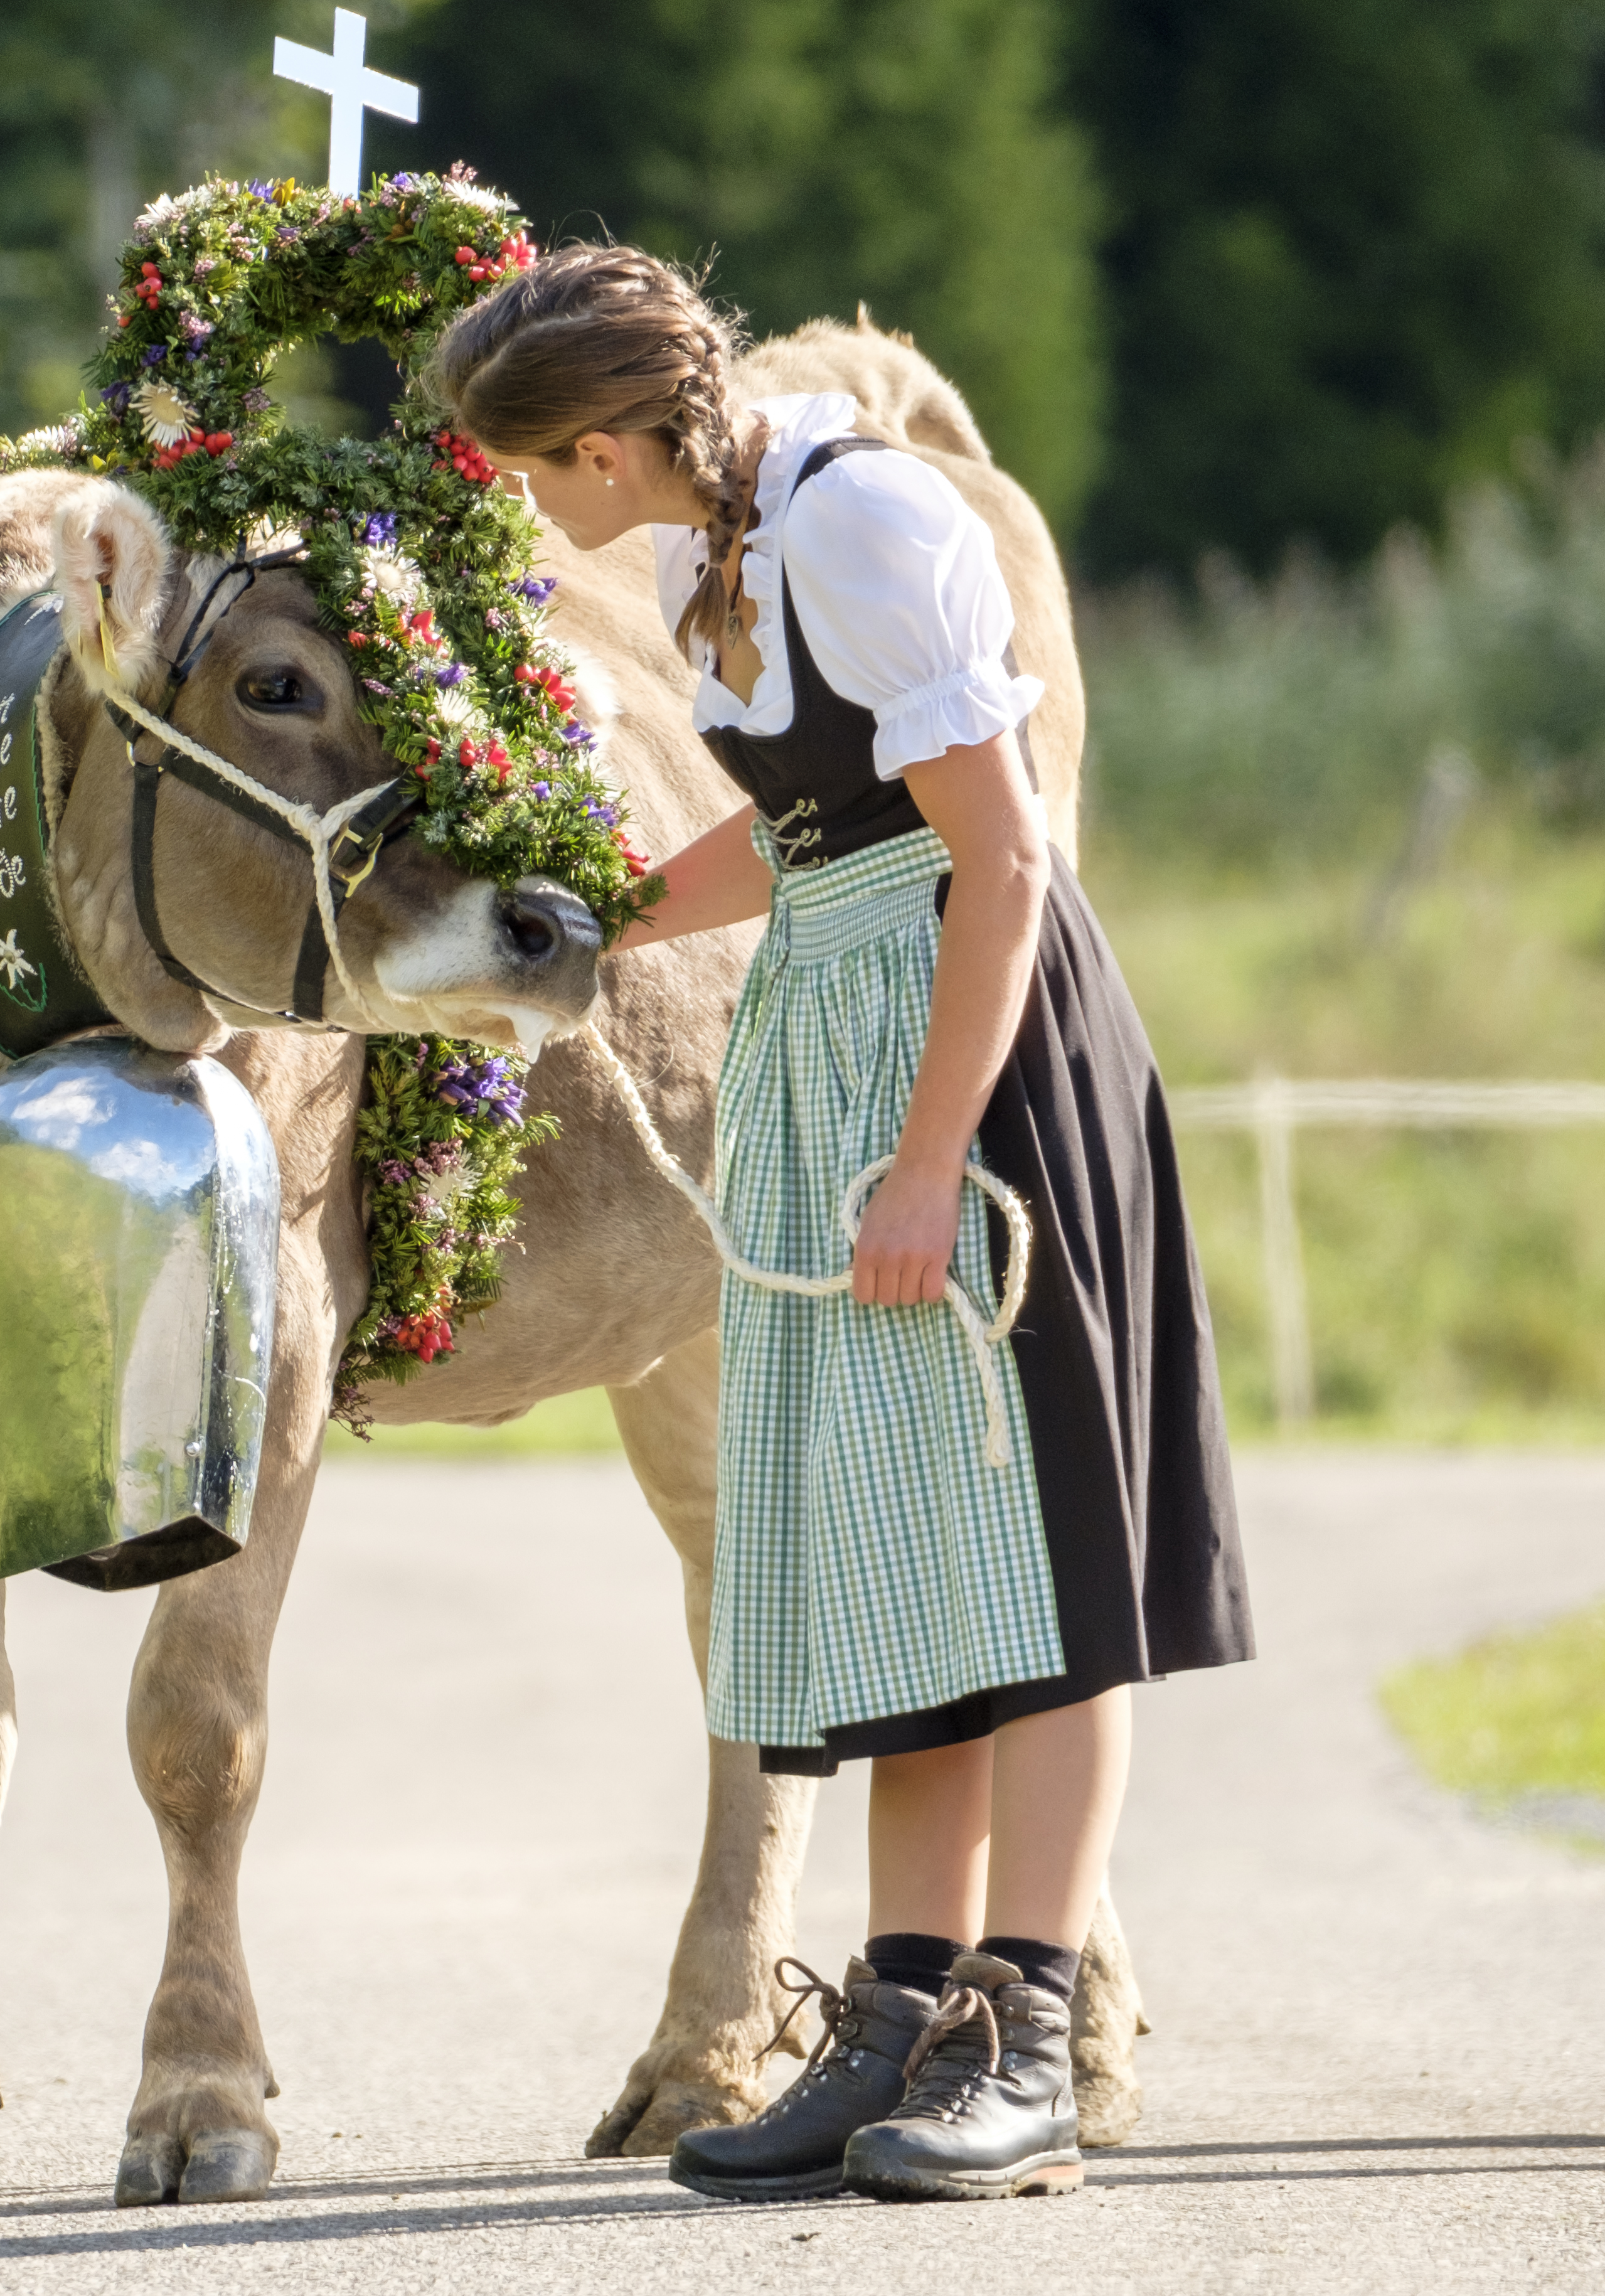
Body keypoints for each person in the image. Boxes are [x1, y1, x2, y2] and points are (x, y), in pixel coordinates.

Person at [429, 248, 1252, 2205]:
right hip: (842, 1017)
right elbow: (814, 828)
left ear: (609, 443)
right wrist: (617, 914)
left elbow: (999, 856)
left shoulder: (868, 517)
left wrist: (925, 1153)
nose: (535, 512)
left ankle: (1028, 2028)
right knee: (900, 1552)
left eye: (534, 474)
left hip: (983, 1063)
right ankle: (893, 2016)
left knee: (1033, 1566)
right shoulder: (698, 557)